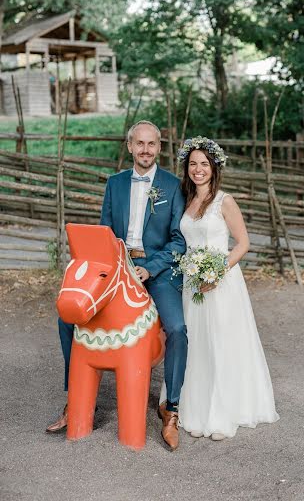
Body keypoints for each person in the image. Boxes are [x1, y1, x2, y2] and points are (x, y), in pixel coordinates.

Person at [47, 120, 188, 451]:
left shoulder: (172, 185)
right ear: (129, 146)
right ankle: (78, 400)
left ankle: (172, 408)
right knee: (68, 319)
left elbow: (178, 241)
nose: (145, 150)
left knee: (178, 328)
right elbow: (105, 233)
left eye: (152, 144)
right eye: (139, 144)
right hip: (118, 269)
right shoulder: (115, 183)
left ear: (160, 147)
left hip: (156, 270)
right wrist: (117, 267)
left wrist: (150, 269)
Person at [160, 136, 279, 440]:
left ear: (214, 167)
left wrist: (216, 271)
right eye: (192, 164)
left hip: (220, 283)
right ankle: (193, 407)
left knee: (220, 344)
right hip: (191, 283)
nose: (198, 169)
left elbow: (243, 244)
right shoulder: (185, 200)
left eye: (204, 164)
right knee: (195, 345)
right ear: (186, 167)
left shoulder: (224, 201)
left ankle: (222, 412)